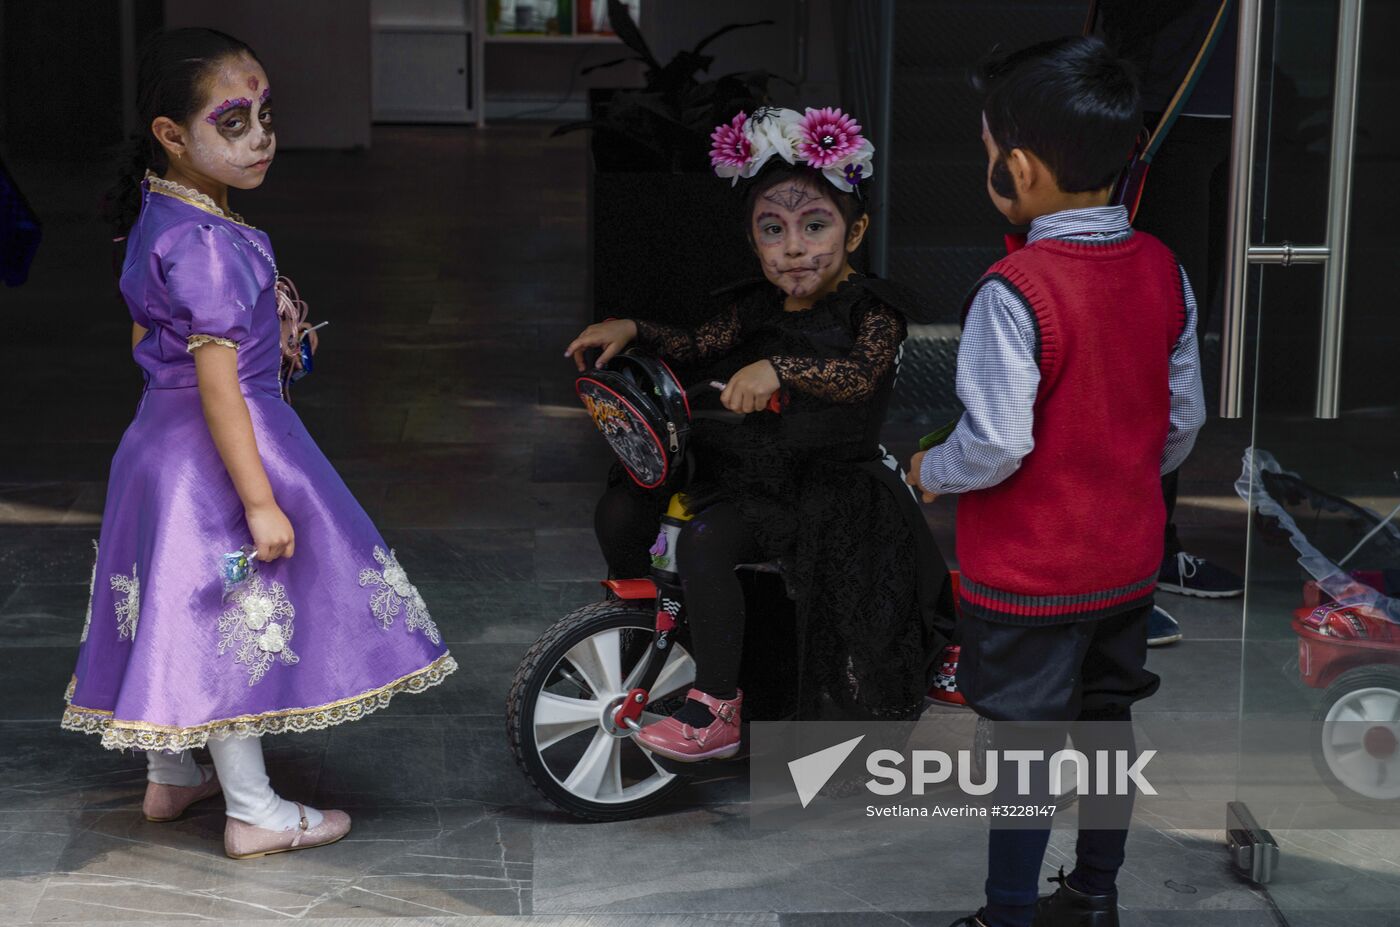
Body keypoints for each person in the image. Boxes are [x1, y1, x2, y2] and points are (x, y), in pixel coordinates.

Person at [61, 28, 456, 860]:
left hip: (156, 445)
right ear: (173, 135)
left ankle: (170, 771)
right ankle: (255, 809)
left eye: (266, 116)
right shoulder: (208, 243)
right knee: (233, 615)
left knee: (174, 603)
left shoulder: (159, 213)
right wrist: (258, 499)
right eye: (233, 122)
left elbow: (147, 326)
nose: (261, 138)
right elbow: (218, 382)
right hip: (219, 448)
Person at [906, 38, 1205, 927]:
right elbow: (1181, 423)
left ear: (1022, 169)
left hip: (1032, 580)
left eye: (989, 150)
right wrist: (1116, 479)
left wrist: (930, 468)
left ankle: (1007, 914)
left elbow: (996, 443)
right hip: (1126, 564)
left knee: (1025, 748)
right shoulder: (1165, 270)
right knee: (1107, 720)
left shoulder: (1015, 290)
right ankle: (1094, 895)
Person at [566, 106, 953, 761]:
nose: (794, 246)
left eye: (815, 225)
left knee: (710, 542)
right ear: (753, 240)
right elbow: (697, 341)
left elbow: (859, 377)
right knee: (623, 504)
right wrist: (634, 326)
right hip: (765, 465)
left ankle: (717, 708)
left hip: (834, 482)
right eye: (773, 229)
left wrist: (780, 368)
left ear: (854, 232)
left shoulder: (874, 311)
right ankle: (641, 641)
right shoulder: (761, 304)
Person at [1099, 0, 1245, 647]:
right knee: (1147, 342)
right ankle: (1117, 568)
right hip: (1164, 103)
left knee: (1183, 336)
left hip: (1235, 105)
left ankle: (1152, 548)